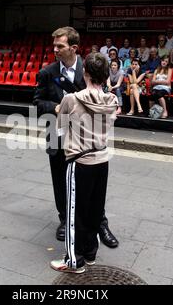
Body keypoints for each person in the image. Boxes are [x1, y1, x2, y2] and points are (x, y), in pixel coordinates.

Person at [33, 26, 119, 248]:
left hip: (87, 138)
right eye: (54, 46)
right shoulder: (47, 73)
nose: (55, 50)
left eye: (60, 46)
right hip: (57, 134)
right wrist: (55, 108)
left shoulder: (90, 69)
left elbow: (105, 98)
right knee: (61, 180)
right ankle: (65, 220)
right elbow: (37, 102)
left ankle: (100, 222)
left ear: (73, 47)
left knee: (94, 184)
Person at [50, 52, 119, 274]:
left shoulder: (71, 99)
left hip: (79, 161)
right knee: (94, 210)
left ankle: (74, 261)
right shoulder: (112, 101)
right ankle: (89, 255)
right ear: (106, 76)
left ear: (85, 73)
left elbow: (59, 129)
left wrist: (62, 111)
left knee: (75, 214)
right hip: (102, 160)